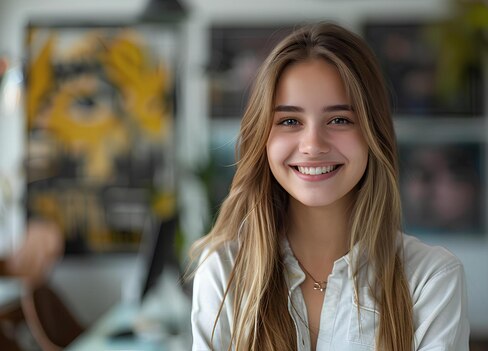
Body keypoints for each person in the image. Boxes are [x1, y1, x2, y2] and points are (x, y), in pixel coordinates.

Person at [190, 22, 469, 351]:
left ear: (372, 133)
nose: (312, 144)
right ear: (262, 137)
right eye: (290, 121)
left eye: (339, 120)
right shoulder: (224, 273)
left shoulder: (430, 279)